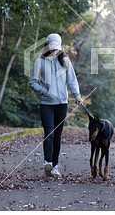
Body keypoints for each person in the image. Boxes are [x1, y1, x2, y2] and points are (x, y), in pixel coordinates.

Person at [29, 33, 83, 177]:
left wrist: (77, 96)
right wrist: (45, 92)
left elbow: (72, 80)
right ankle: (47, 162)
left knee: (58, 136)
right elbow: (32, 82)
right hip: (46, 104)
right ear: (46, 46)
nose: (54, 51)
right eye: (52, 48)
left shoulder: (65, 60)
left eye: (56, 48)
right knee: (49, 134)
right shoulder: (39, 62)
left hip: (62, 104)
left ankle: (55, 166)